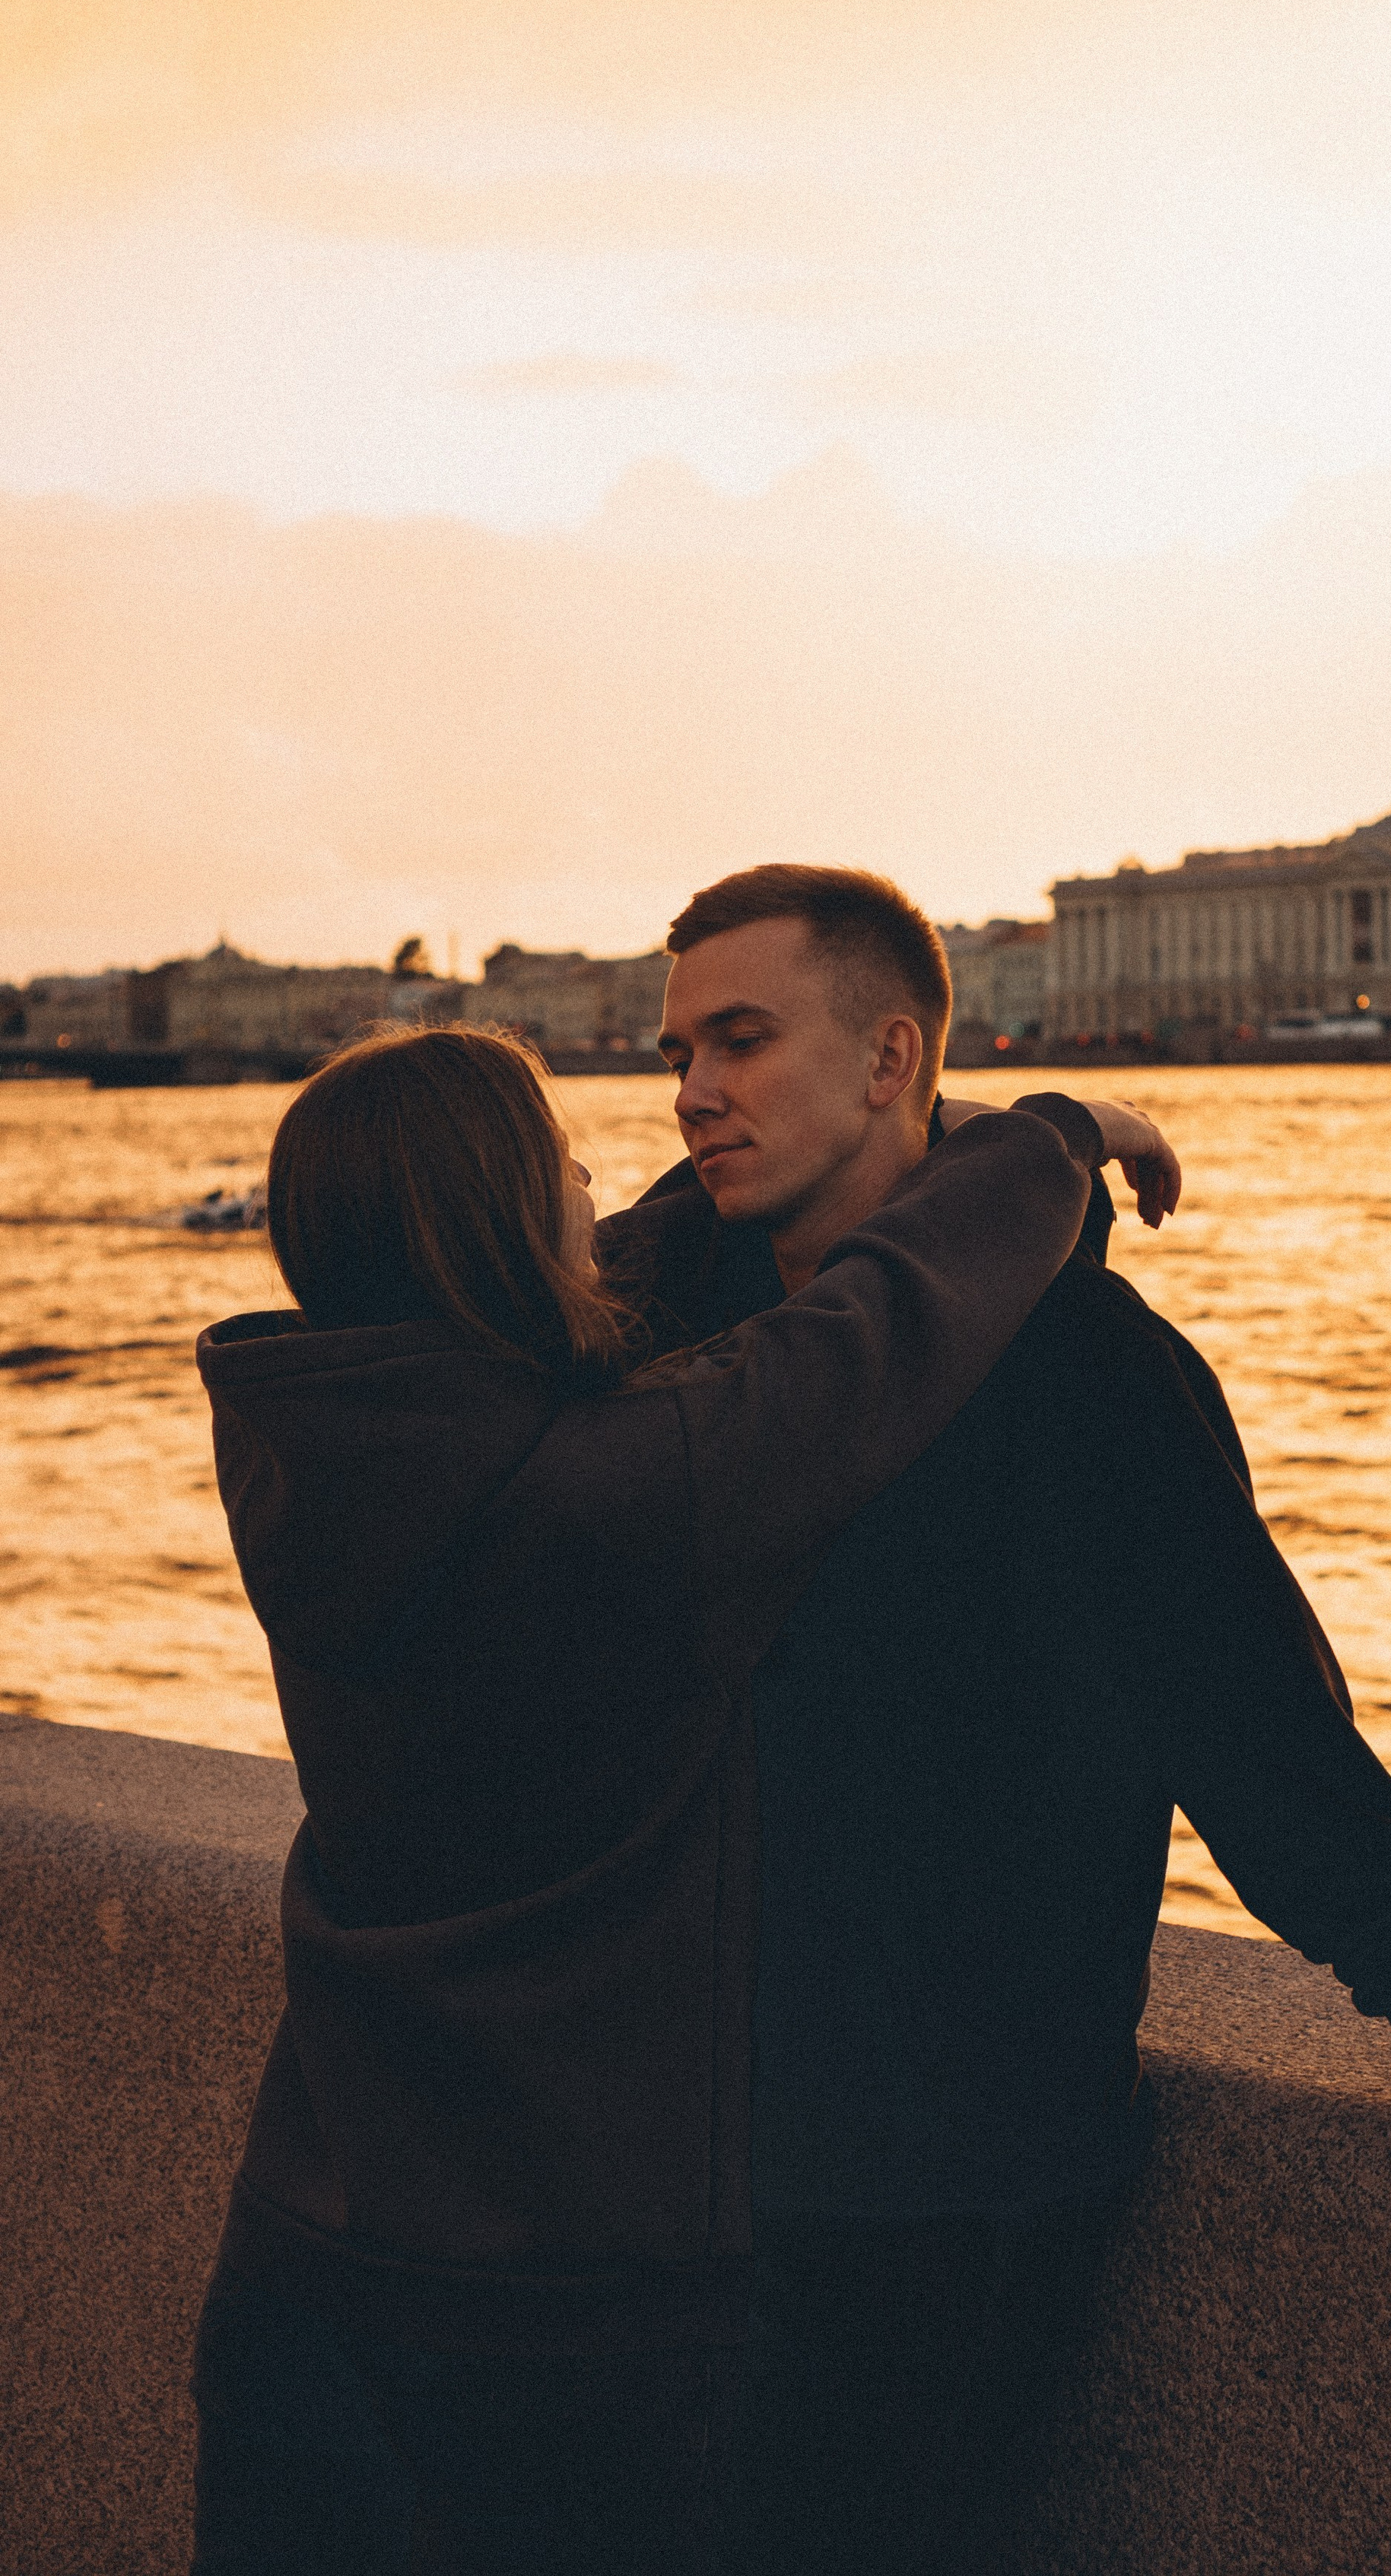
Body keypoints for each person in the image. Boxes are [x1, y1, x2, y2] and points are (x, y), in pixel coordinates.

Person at [601, 865, 1391, 2576]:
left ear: (889, 1061)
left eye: (741, 1040)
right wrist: (1054, 1130)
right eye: (677, 1053)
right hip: (674, 2141)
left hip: (950, 2171)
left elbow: (1252, 1721)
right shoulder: (667, 1333)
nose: (692, 1093)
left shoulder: (1086, 1371)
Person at [187, 1018, 1174, 2575]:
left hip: (305, 2244)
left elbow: (623, 1257)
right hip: (550, 2309)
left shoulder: (300, 1447)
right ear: (504, 1220)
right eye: (560, 1165)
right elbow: (886, 1317)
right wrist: (1057, 1133)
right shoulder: (626, 1488)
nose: (597, 1183)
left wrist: (898, 1124)